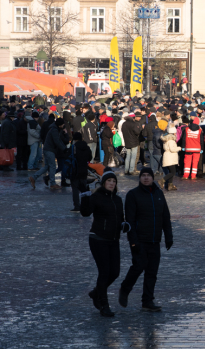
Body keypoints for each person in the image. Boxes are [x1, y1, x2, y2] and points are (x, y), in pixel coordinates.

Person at [119, 168, 173, 312]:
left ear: (153, 177)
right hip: (140, 239)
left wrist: (168, 236)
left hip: (155, 240)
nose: (146, 178)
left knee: (152, 272)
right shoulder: (133, 195)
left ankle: (147, 301)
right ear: (140, 178)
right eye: (143, 175)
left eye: (148, 175)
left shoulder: (159, 194)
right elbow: (129, 220)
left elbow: (165, 217)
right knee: (139, 266)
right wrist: (133, 241)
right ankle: (125, 288)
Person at [80, 170, 125, 317]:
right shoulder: (96, 197)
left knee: (115, 272)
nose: (111, 183)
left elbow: (121, 218)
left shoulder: (117, 200)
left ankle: (96, 292)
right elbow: (85, 213)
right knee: (104, 272)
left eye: (114, 181)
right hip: (98, 239)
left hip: (113, 240)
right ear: (103, 183)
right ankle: (104, 305)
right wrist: (85, 197)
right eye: (109, 181)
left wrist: (125, 225)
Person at [70, 132, 92, 212]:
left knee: (75, 189)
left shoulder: (73, 147)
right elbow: (90, 158)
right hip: (84, 170)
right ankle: (86, 205)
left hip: (75, 170)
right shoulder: (87, 147)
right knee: (84, 188)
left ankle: (77, 206)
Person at [160, 127, 180, 191]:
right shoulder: (171, 141)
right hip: (170, 157)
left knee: (171, 172)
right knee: (173, 172)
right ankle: (162, 180)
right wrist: (179, 148)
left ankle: (170, 185)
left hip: (168, 157)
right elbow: (172, 149)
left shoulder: (166, 139)